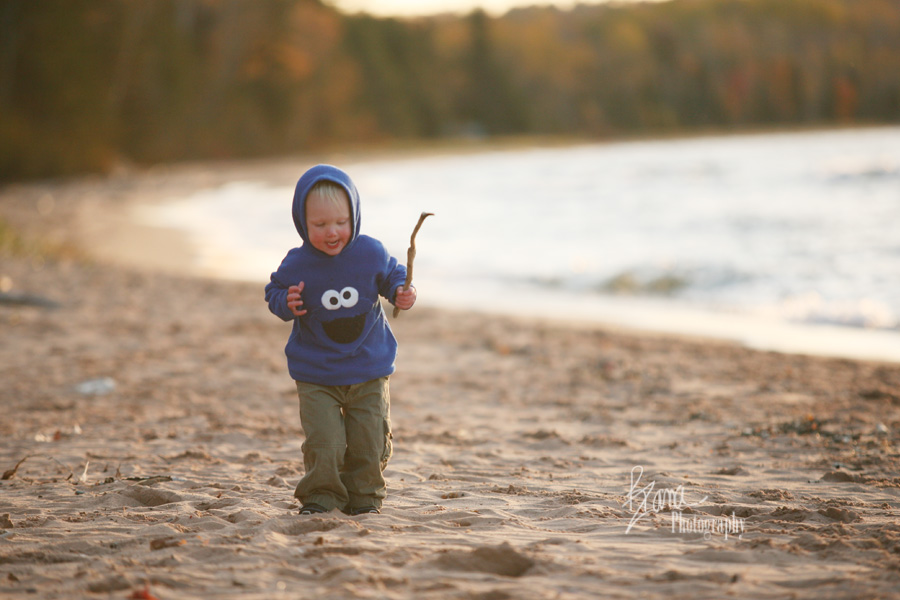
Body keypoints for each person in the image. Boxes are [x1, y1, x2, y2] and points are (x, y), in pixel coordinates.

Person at [265, 164, 416, 516]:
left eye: (341, 222)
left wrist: (402, 292)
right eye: (319, 225)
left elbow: (394, 276)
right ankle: (322, 496)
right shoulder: (298, 263)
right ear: (302, 222)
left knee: (369, 440)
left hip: (369, 367)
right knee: (324, 442)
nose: (332, 232)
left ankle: (365, 497)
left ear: (355, 216)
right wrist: (286, 302)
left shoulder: (370, 252)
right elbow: (274, 290)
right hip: (316, 373)